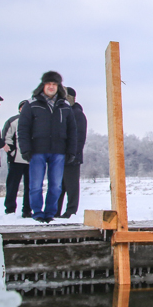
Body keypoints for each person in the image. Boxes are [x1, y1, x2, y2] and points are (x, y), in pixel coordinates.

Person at [18, 71, 77, 223]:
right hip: (37, 150)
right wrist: (25, 148)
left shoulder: (65, 106)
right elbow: (23, 128)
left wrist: (71, 150)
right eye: (48, 84)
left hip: (59, 151)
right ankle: (37, 212)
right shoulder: (31, 104)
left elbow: (72, 130)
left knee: (56, 186)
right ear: (43, 85)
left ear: (58, 87)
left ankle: (50, 213)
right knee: (36, 185)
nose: (51, 87)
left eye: (54, 84)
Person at [55, 87, 87, 218]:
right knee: (58, 185)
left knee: (71, 185)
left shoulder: (77, 114)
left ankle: (71, 210)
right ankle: (55, 210)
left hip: (72, 156)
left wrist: (72, 154)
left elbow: (80, 137)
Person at [2, 100, 32, 217]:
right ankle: (10, 209)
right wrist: (12, 151)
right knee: (13, 185)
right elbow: (6, 137)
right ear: (19, 109)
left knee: (30, 186)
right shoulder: (13, 121)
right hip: (16, 159)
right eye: (23, 107)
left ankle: (27, 210)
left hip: (31, 160)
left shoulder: (35, 120)